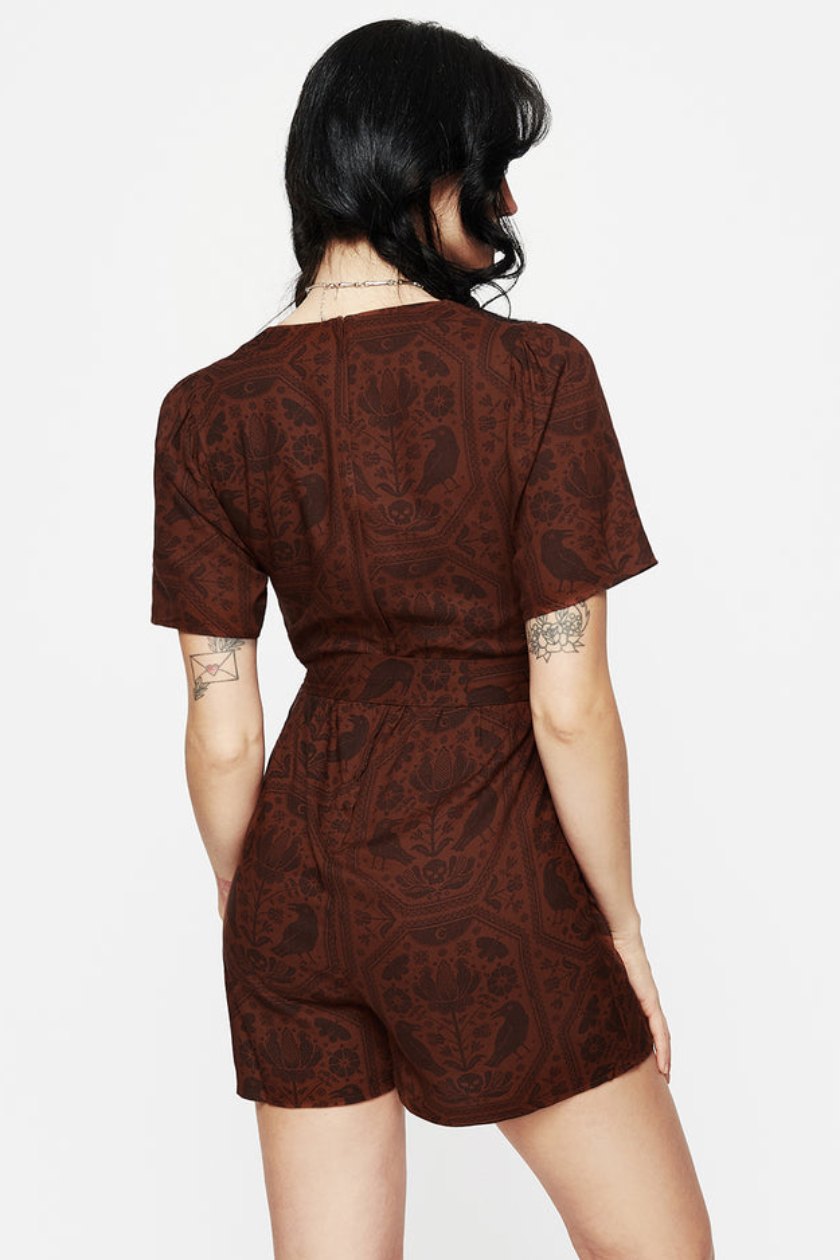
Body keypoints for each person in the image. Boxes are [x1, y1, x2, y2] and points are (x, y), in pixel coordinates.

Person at [150, 17, 715, 1260]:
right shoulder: (537, 376)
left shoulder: (204, 413)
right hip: (485, 865)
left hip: (294, 883)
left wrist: (262, 907)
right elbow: (568, 701)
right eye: (491, 168)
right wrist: (619, 929)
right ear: (420, 167)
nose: (507, 204)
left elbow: (222, 726)